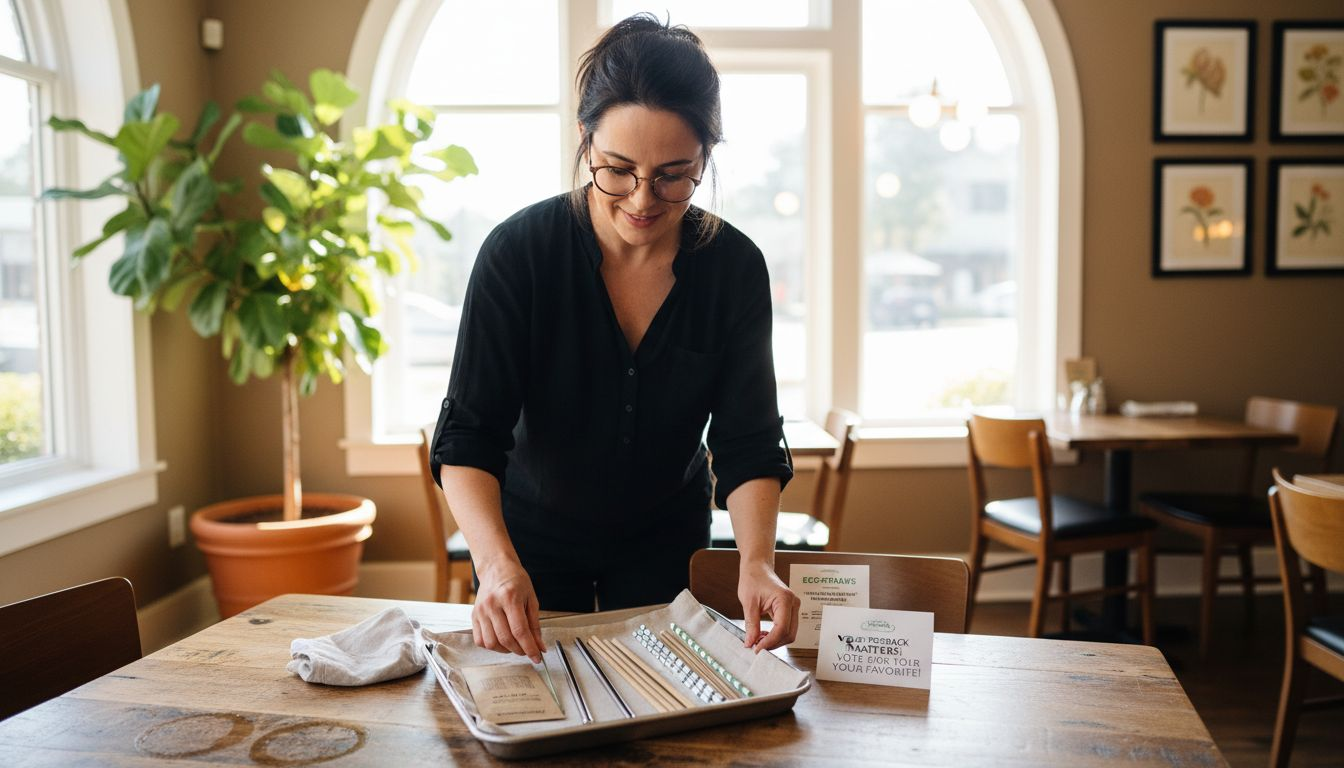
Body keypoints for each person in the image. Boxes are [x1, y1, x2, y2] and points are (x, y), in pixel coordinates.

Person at [428, 14, 799, 665]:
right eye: (618, 169)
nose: (642, 200)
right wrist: (495, 565)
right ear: (584, 141)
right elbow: (467, 436)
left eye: (674, 174)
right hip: (529, 550)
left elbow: (747, 442)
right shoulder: (518, 257)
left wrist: (758, 563)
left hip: (667, 546)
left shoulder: (734, 269)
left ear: (705, 157)